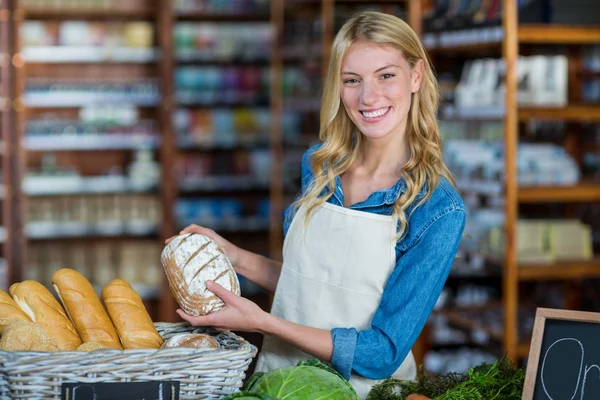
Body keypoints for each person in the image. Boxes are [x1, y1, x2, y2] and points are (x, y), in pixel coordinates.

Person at [169, 11, 466, 399]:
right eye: (352, 80)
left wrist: (265, 323)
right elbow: (313, 285)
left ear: (416, 76)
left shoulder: (437, 209)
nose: (368, 96)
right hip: (279, 383)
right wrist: (235, 257)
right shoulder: (320, 166)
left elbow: (383, 353)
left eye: (386, 75)